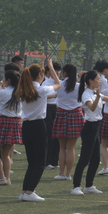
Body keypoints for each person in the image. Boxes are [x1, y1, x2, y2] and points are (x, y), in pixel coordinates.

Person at [18, 61, 62, 202]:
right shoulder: (41, 89)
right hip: (38, 126)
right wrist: (51, 67)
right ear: (40, 75)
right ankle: (29, 191)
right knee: (40, 162)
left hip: (26, 127)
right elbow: (58, 84)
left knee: (32, 162)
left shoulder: (24, 90)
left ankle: (25, 191)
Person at [71, 70, 108, 196]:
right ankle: (76, 186)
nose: (100, 81)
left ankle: (89, 185)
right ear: (90, 81)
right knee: (85, 159)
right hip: (90, 128)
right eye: (98, 79)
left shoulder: (95, 92)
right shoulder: (87, 94)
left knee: (96, 159)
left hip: (97, 127)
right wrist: (97, 96)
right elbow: (91, 107)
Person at [0, 70, 21, 185]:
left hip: (3, 122)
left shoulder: (3, 92)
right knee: (6, 154)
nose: (2, 80)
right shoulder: (19, 92)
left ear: (9, 80)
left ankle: (1, 177)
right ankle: (7, 178)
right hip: (16, 123)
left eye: (4, 78)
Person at [52, 64, 83, 180]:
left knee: (62, 147)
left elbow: (55, 79)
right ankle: (69, 174)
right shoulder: (80, 86)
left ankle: (61, 173)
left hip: (61, 114)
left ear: (64, 73)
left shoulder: (59, 85)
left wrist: (49, 65)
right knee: (71, 148)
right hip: (76, 115)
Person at [43, 61, 61, 169]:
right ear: (50, 71)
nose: (58, 73)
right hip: (49, 108)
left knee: (58, 135)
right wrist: (53, 95)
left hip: (57, 109)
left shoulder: (60, 82)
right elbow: (42, 97)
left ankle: (55, 161)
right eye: (55, 70)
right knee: (49, 135)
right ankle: (47, 161)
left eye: (58, 71)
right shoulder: (46, 83)